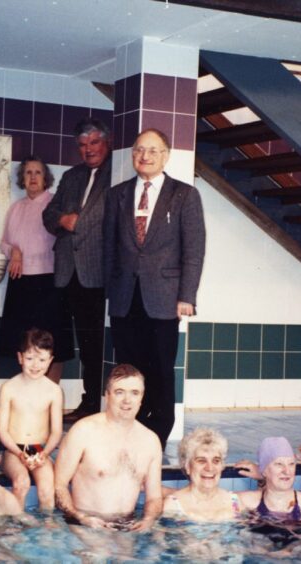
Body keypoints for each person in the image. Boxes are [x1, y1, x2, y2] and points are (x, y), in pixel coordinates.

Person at [103, 128, 206, 448]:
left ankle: (156, 438)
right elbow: (109, 247)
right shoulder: (116, 194)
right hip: (124, 297)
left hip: (164, 299)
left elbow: (194, 249)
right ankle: (125, 432)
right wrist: (110, 291)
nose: (144, 156)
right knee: (127, 371)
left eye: (152, 150)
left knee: (160, 369)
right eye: (138, 150)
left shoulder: (185, 194)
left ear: (166, 156)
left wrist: (186, 296)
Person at [42, 118, 111, 418]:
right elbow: (48, 214)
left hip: (97, 271)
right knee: (81, 340)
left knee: (96, 341)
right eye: (82, 145)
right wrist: (62, 220)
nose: (88, 150)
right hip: (67, 270)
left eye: (94, 143)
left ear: (105, 143)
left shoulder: (117, 173)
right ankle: (89, 401)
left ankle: (97, 402)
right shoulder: (71, 176)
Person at [54, 364, 162, 531]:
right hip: (87, 526)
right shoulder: (83, 431)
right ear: (107, 396)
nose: (127, 400)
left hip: (128, 526)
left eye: (134, 393)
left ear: (141, 398)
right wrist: (80, 517)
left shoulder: (151, 441)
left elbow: (154, 497)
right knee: (97, 557)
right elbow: (59, 485)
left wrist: (147, 521)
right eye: (120, 392)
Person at [0, 156, 73, 382]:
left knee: (53, 341)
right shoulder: (16, 208)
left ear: (46, 177)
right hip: (21, 282)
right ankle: (28, 395)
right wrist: (14, 252)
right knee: (23, 340)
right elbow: (4, 243)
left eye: (37, 172)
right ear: (22, 178)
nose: (32, 177)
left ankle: (50, 395)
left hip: (49, 282)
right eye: (28, 173)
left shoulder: (54, 205)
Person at [0, 328, 63, 510]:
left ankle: (46, 531)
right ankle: (17, 526)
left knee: (47, 489)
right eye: (30, 358)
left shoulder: (54, 391)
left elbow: (56, 431)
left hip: (40, 451)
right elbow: (1, 429)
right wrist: (19, 453)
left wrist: (44, 454)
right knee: (21, 482)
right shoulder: (9, 387)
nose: (35, 365)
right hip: (13, 450)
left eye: (42, 359)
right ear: (20, 358)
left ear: (50, 361)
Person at [163, 427, 242, 521]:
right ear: (187, 466)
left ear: (222, 466)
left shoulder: (235, 503)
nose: (209, 468)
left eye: (216, 461)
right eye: (201, 461)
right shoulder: (173, 506)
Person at [238, 437, 301, 521]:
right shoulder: (244, 502)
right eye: (279, 464)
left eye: (291, 464)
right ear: (264, 471)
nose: (287, 471)